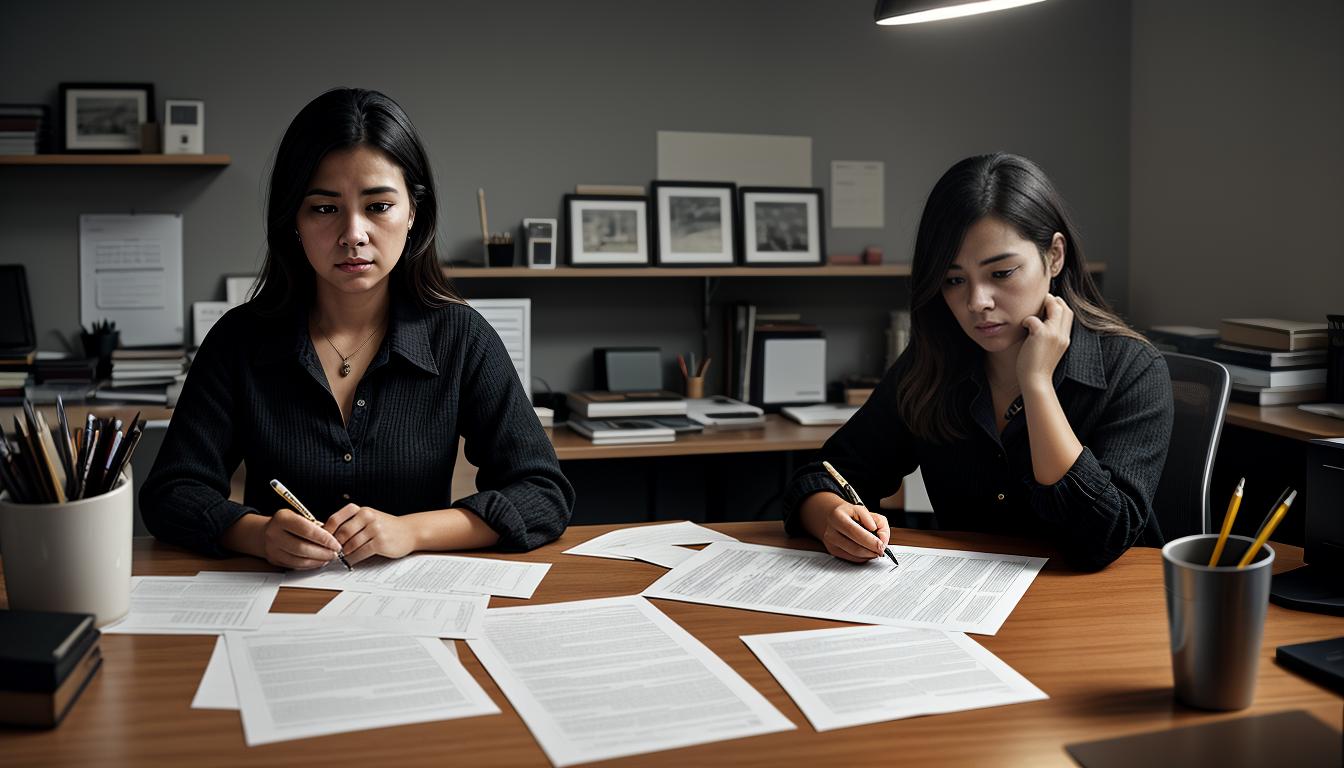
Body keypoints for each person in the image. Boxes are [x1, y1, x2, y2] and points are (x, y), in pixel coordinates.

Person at [141, 88, 573, 568]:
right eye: (324, 208)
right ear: (294, 222)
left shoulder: (461, 337)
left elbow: (542, 494)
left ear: (413, 212)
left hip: (414, 606)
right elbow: (171, 493)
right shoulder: (239, 340)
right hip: (277, 608)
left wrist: (410, 531)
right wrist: (258, 534)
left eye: (378, 206)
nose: (353, 234)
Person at [784, 153, 1173, 571]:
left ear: (1054, 256)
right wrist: (829, 518)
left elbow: (1101, 539)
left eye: (1001, 273)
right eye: (954, 280)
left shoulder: (1134, 370)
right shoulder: (933, 364)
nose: (976, 302)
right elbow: (827, 471)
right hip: (965, 607)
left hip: (1097, 613)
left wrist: (1037, 383)